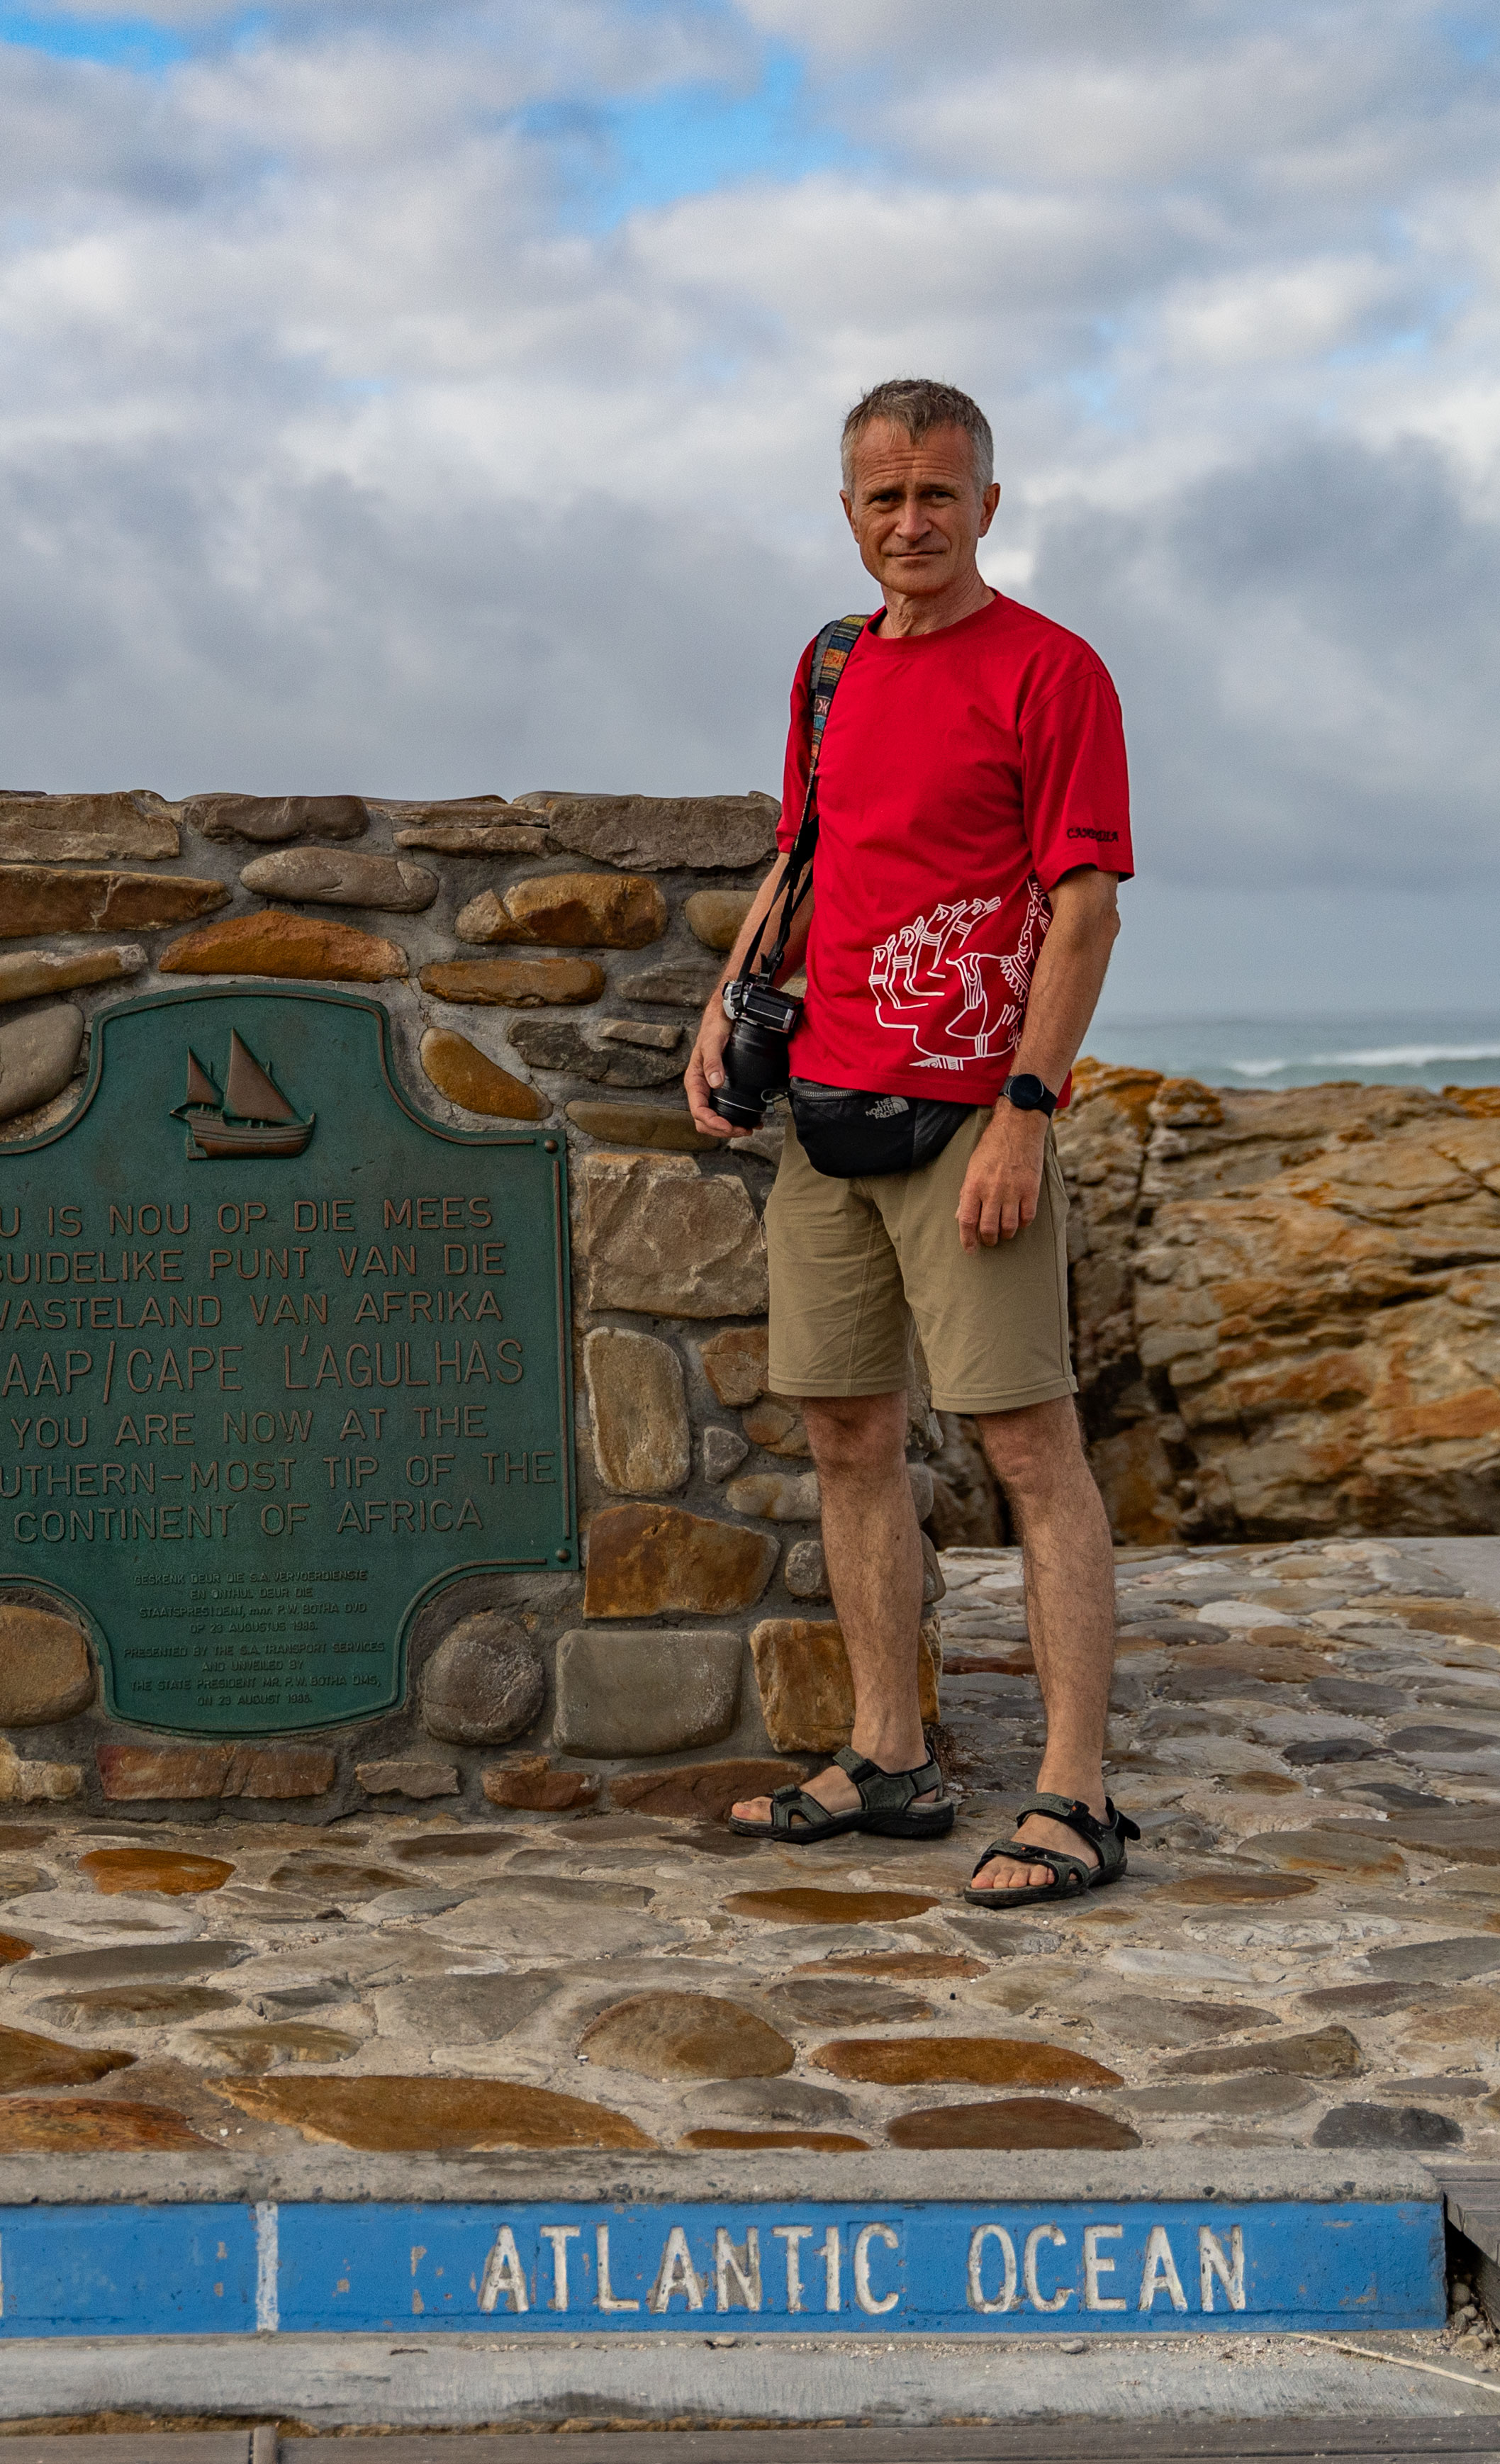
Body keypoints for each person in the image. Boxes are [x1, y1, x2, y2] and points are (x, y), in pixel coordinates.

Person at [684, 376, 1137, 1907]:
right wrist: (725, 1002)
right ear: (847, 509)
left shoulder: (1051, 673)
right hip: (825, 1102)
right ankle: (890, 1755)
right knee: (845, 1431)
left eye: (937, 494)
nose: (910, 522)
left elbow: (1082, 911)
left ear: (988, 505)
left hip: (970, 1118)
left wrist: (1027, 1105)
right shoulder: (827, 670)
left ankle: (1075, 1796)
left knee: (1028, 1446)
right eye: (882, 497)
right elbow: (803, 857)